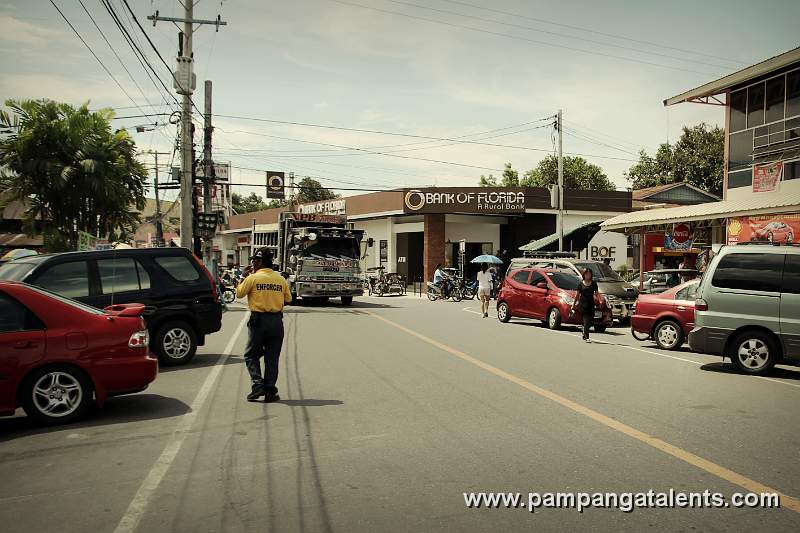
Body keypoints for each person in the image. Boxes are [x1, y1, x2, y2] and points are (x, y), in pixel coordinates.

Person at [236, 248, 292, 402]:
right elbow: (288, 299)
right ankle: (270, 391)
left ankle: (257, 384)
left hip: (258, 321)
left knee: (250, 354)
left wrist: (242, 276)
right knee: (272, 358)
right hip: (276, 322)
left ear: (260, 262)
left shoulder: (253, 278)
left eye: (254, 260)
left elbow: (239, 293)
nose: (252, 263)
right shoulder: (280, 279)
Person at [573, 268, 599, 343]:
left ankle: (584, 330)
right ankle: (587, 336)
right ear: (584, 275)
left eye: (589, 274)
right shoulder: (580, 284)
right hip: (583, 304)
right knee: (586, 320)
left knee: (590, 320)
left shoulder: (594, 283)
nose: (588, 275)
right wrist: (573, 304)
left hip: (591, 303)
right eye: (587, 274)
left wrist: (599, 301)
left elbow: (597, 294)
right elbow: (577, 295)